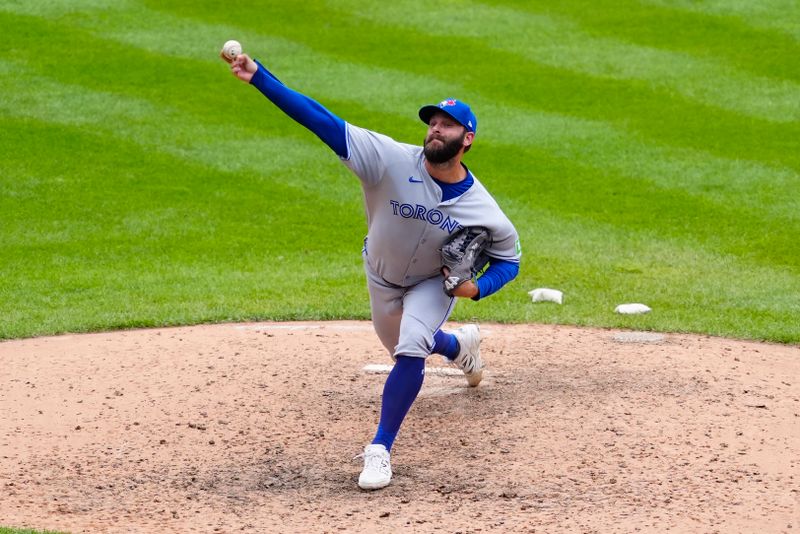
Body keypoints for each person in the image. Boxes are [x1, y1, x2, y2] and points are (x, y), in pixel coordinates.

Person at [223, 49, 521, 490]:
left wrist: (477, 290)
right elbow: (320, 120)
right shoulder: (388, 158)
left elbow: (510, 260)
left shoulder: (484, 208)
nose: (436, 129)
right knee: (404, 341)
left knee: (411, 349)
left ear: (468, 139)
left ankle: (380, 449)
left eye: (447, 124)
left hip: (430, 283)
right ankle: (459, 347)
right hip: (380, 277)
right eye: (432, 122)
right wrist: (259, 77)